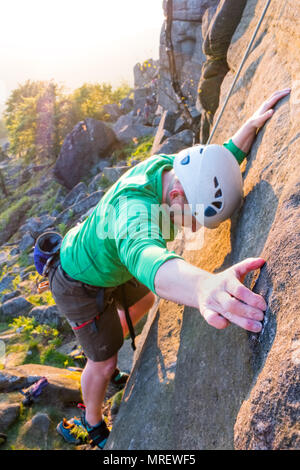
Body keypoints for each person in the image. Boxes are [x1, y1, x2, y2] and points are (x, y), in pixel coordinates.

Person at [50, 89, 290, 448]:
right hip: (77, 281)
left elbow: (210, 163)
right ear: (177, 198)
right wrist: (203, 288)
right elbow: (150, 262)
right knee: (103, 361)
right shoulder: (136, 214)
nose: (191, 229)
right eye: (192, 219)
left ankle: (107, 332)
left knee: (143, 302)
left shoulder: (170, 168)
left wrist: (248, 130)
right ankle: (93, 422)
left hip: (106, 260)